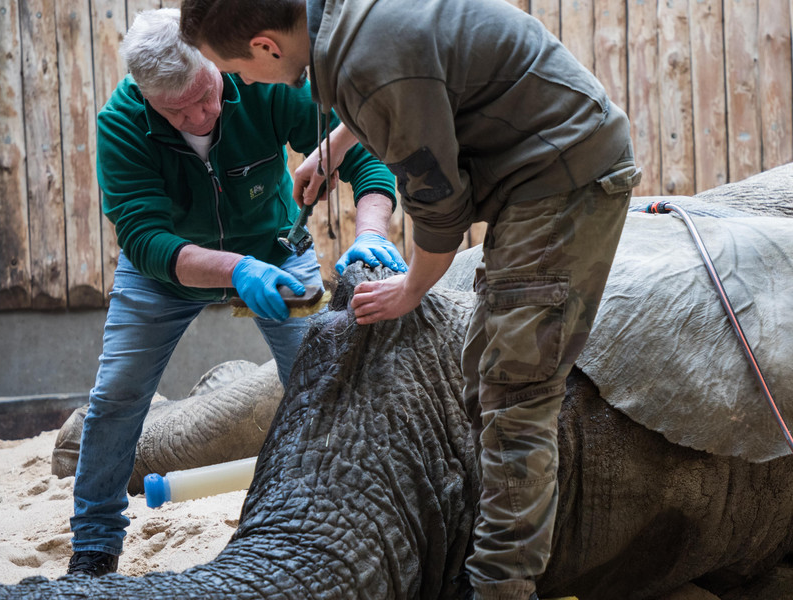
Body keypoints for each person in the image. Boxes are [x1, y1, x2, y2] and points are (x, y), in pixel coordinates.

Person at [180, 1, 642, 598]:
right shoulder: (341, 20)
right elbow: (414, 81)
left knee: (515, 396)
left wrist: (412, 287)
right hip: (534, 165)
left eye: (236, 68)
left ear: (267, 46)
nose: (243, 82)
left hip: (562, 175)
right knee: (484, 368)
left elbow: (441, 206)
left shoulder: (370, 59)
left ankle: (501, 589)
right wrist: (339, 144)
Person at [67, 8, 403, 577]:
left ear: (214, 63)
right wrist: (235, 269)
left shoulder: (257, 82)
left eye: (208, 92)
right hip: (168, 272)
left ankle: (338, 513)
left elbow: (365, 155)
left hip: (275, 249)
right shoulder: (121, 122)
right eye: (182, 110)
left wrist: (371, 231)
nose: (205, 112)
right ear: (147, 97)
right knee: (118, 394)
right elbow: (146, 240)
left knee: (325, 377)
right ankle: (95, 545)